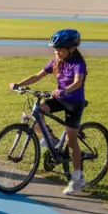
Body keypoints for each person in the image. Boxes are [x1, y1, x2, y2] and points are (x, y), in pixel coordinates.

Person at [10, 29, 88, 195]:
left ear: (72, 49)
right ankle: (51, 139)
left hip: (74, 102)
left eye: (60, 49)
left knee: (71, 141)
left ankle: (78, 178)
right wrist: (19, 84)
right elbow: (37, 76)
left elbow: (77, 82)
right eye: (55, 49)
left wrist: (65, 90)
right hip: (59, 98)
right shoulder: (56, 61)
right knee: (37, 112)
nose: (56, 52)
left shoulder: (78, 63)